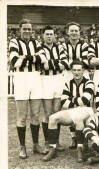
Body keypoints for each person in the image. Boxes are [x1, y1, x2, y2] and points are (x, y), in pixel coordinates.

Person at [9, 19, 47, 159]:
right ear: (20, 29)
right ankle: (22, 147)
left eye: (29, 29)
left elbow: (43, 59)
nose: (27, 31)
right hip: (21, 79)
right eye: (24, 29)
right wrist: (33, 58)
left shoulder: (36, 42)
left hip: (35, 77)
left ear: (32, 30)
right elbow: (14, 62)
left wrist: (24, 57)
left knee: (36, 114)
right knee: (22, 116)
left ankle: (36, 145)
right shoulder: (14, 42)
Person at [40, 25, 68, 153]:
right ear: (43, 35)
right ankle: (47, 142)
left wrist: (51, 63)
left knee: (56, 113)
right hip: (45, 80)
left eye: (51, 34)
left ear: (54, 36)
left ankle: (55, 141)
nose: (49, 36)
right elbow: (43, 66)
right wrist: (56, 63)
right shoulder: (39, 48)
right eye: (47, 34)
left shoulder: (60, 47)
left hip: (58, 79)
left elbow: (64, 64)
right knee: (47, 113)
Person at [59, 60, 94, 155]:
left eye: (79, 70)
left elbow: (85, 101)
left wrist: (71, 99)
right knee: (71, 111)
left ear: (83, 70)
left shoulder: (89, 83)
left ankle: (84, 142)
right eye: (74, 70)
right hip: (74, 110)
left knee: (78, 115)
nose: (77, 72)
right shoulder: (68, 84)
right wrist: (77, 101)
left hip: (87, 111)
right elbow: (63, 102)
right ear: (71, 71)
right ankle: (75, 139)